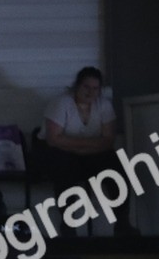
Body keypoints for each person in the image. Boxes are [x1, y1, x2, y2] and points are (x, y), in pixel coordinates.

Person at [37, 66, 136, 235]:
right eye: (86, 87)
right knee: (64, 169)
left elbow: (108, 141)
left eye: (95, 88)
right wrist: (88, 144)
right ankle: (68, 226)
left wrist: (76, 145)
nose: (90, 92)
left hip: (89, 155)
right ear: (77, 86)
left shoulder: (103, 105)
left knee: (117, 166)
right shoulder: (61, 103)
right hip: (59, 154)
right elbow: (53, 139)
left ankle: (122, 223)